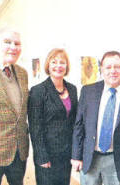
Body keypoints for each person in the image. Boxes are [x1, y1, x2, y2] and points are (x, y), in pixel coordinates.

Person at [71, 51, 120, 185]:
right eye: (108, 67)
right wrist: (76, 156)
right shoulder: (88, 91)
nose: (113, 71)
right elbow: (79, 126)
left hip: (118, 161)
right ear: (101, 69)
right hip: (90, 157)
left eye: (117, 67)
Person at [0, 28, 29, 185]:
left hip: (19, 151)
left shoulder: (22, 73)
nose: (13, 47)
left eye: (17, 43)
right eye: (7, 42)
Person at [28, 48, 78, 185]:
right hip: (48, 154)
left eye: (62, 62)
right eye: (54, 62)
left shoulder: (72, 89)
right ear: (48, 65)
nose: (58, 66)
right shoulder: (38, 91)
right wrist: (41, 156)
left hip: (66, 153)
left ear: (66, 66)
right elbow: (35, 127)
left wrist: (75, 152)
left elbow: (74, 122)